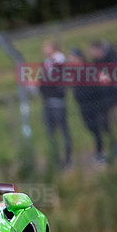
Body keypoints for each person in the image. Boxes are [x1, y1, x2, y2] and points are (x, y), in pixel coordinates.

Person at [68, 47, 114, 163]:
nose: (70, 60)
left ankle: (110, 150)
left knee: (104, 128)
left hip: (97, 105)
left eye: (72, 58)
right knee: (92, 129)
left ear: (79, 58)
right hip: (85, 107)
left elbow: (101, 84)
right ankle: (102, 150)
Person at [40, 41, 72, 169]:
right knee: (50, 132)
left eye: (45, 47)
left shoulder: (59, 61)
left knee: (63, 131)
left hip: (58, 102)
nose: (43, 49)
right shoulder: (47, 62)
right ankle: (57, 160)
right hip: (47, 101)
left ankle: (68, 159)